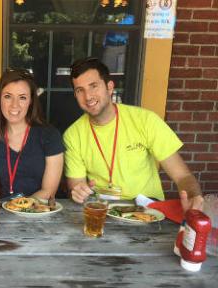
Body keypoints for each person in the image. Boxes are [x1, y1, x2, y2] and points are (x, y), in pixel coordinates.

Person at [63, 57, 203, 212]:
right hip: (102, 212)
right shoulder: (72, 135)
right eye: (80, 90)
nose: (88, 96)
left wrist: (193, 196)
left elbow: (183, 176)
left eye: (93, 86)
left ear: (109, 87)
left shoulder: (145, 120)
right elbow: (76, 186)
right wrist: (78, 192)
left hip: (147, 212)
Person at [0, 69, 64, 201]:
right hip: (2, 214)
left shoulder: (50, 136)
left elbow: (49, 191)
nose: (14, 105)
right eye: (8, 96)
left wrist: (19, 207)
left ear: (31, 101)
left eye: (22, 97)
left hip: (39, 213)